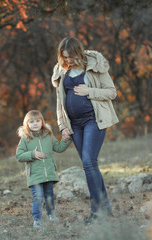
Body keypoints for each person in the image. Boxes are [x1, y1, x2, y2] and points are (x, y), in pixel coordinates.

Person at [51, 37, 119, 224]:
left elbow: (112, 92)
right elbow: (59, 103)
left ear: (78, 52)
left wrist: (90, 91)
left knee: (89, 162)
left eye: (71, 56)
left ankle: (96, 212)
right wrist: (63, 126)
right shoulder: (61, 70)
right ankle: (105, 209)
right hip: (74, 125)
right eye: (64, 57)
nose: (68, 60)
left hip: (93, 120)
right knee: (90, 165)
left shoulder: (95, 66)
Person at [16, 110, 71, 228]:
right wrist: (32, 154)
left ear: (42, 122)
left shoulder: (48, 136)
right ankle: (37, 219)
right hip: (35, 175)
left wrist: (67, 140)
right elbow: (19, 156)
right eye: (31, 122)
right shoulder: (25, 139)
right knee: (38, 197)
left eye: (37, 121)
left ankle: (51, 215)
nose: (35, 124)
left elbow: (59, 148)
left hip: (49, 173)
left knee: (49, 195)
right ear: (27, 124)